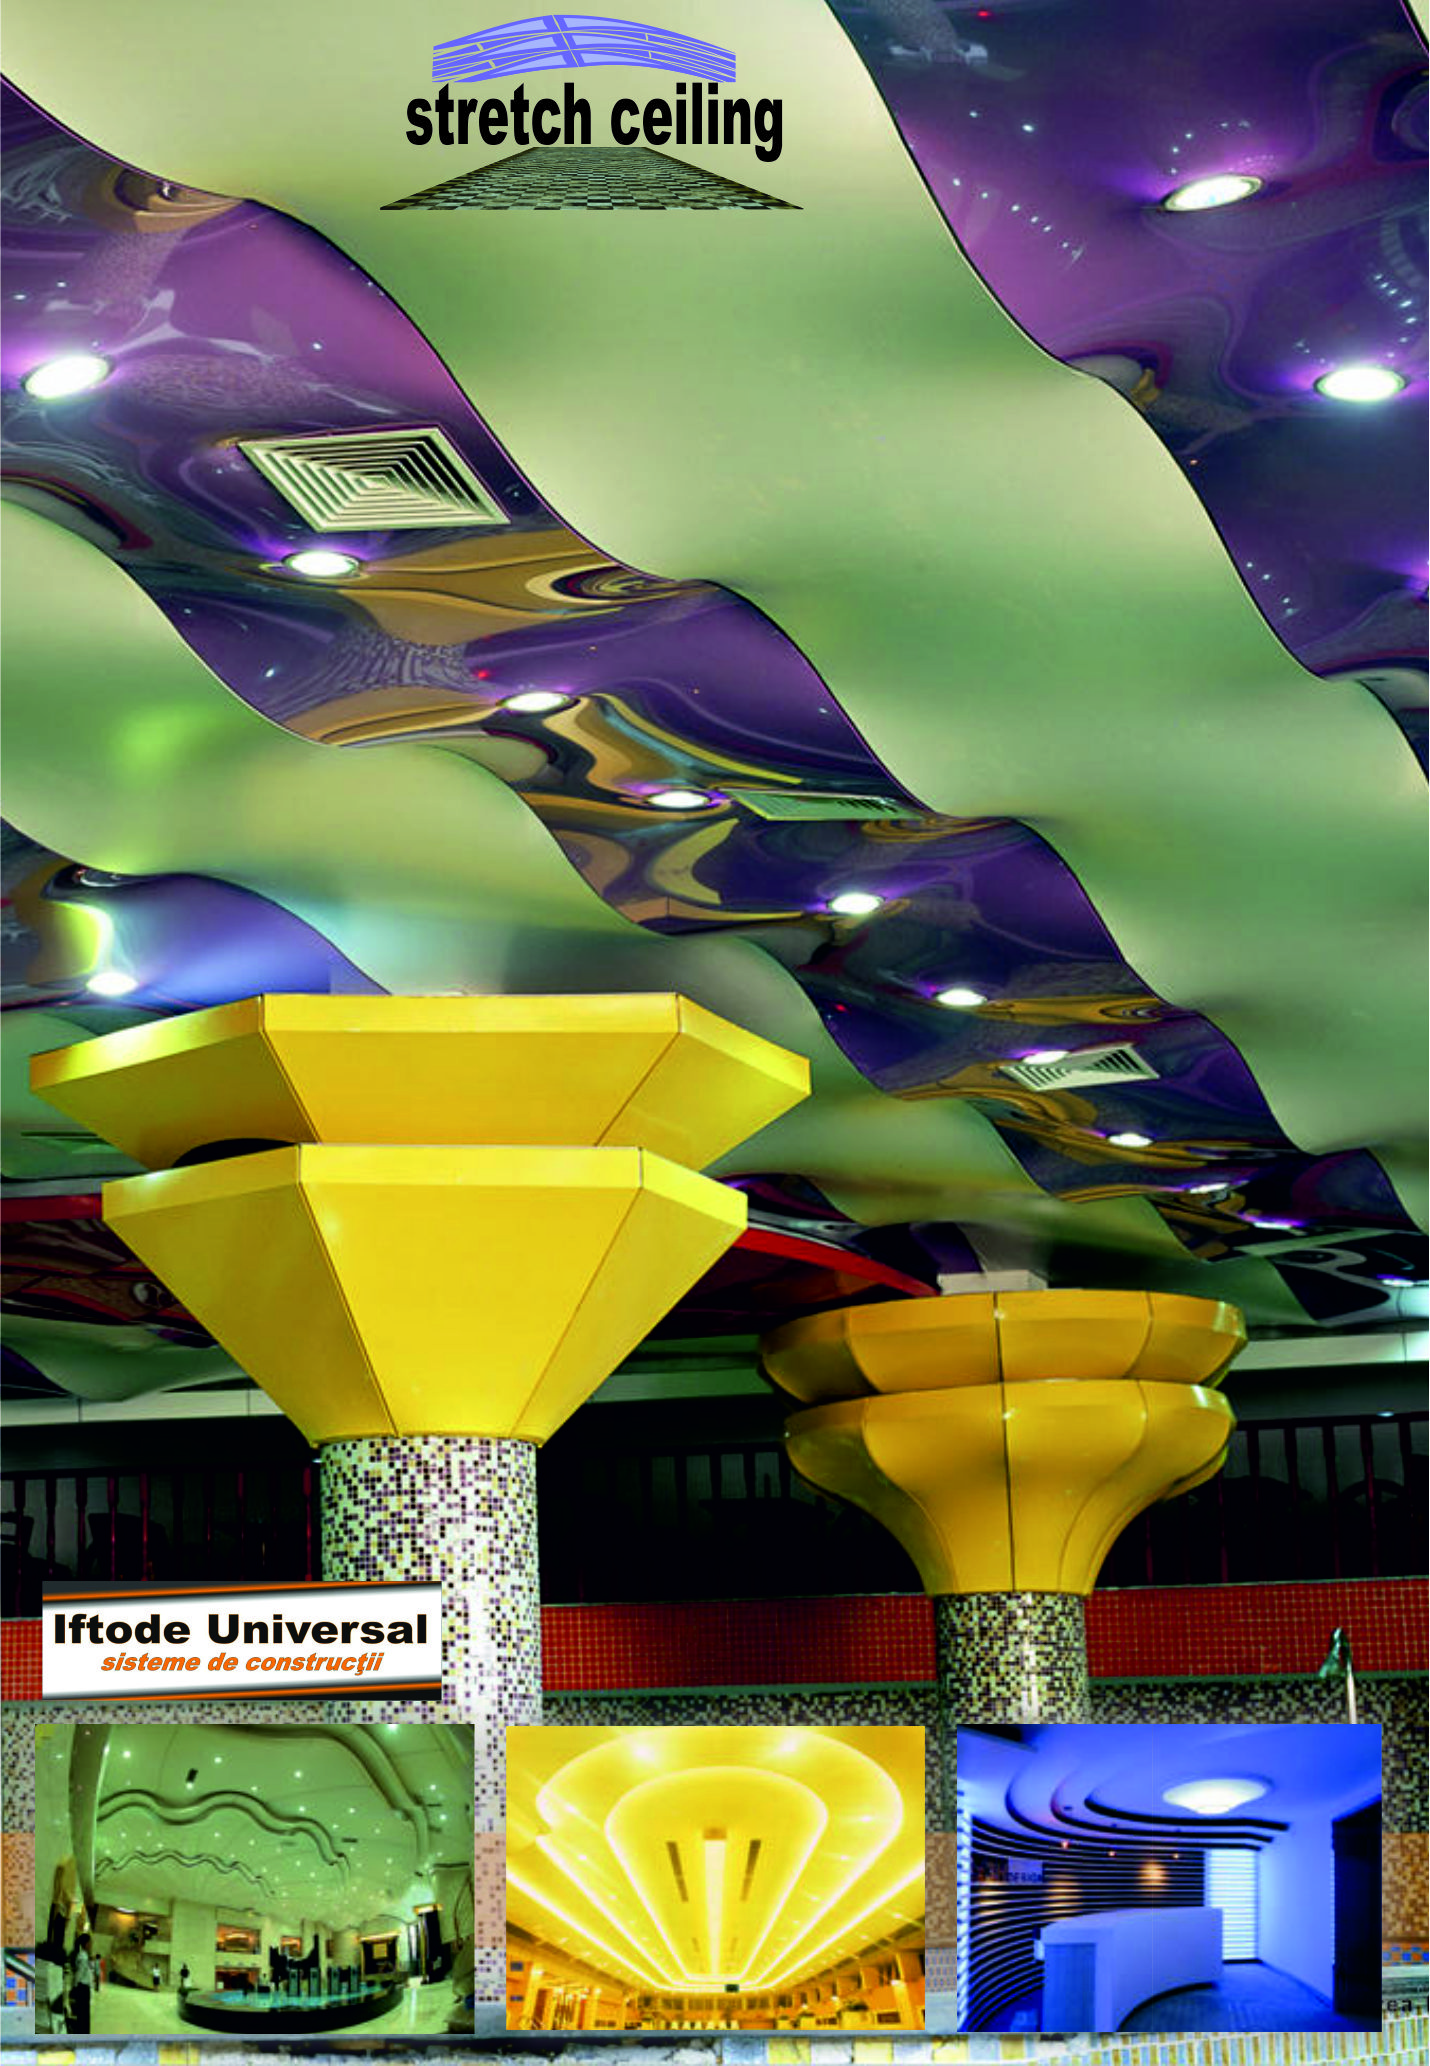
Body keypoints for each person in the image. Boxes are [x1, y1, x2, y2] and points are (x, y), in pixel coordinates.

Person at [66, 1935, 93, 2034]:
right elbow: (79, 1974)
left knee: (83, 2013)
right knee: (83, 2014)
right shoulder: (83, 1957)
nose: (91, 1945)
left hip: (84, 1988)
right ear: (85, 1944)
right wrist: (74, 1987)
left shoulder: (84, 1955)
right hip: (82, 1989)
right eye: (90, 1942)